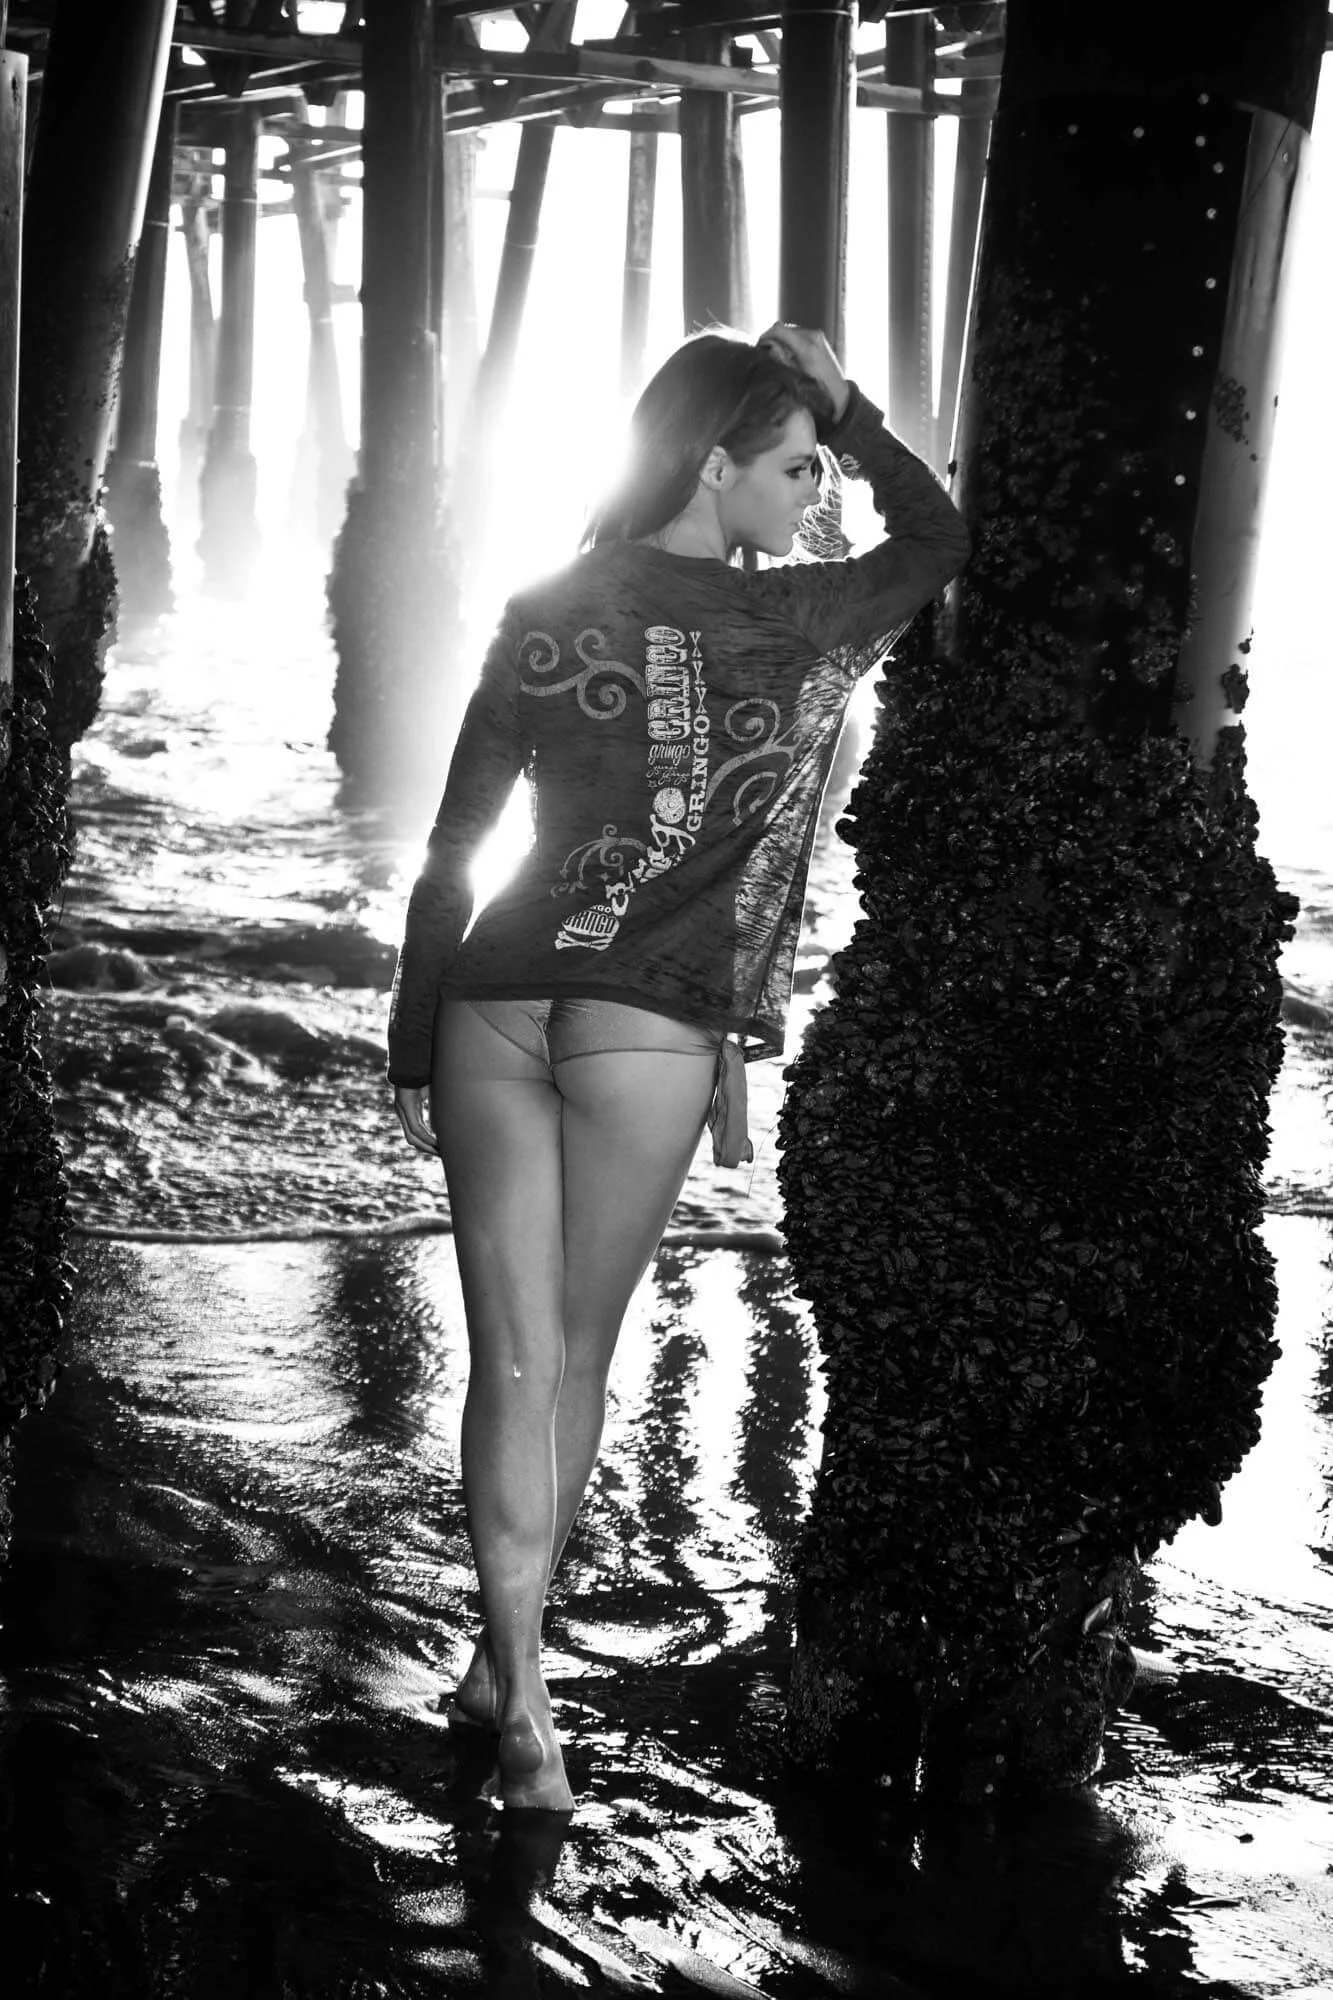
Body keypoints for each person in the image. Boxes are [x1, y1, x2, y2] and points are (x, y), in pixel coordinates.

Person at [389, 323, 971, 1811]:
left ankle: (497, 1666)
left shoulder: (546, 602)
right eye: (793, 463)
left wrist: (412, 1028)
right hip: (647, 1021)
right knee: (573, 1358)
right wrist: (855, 400)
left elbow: (458, 844)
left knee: (508, 1357)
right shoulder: (808, 621)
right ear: (715, 465)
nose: (815, 488)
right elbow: (942, 535)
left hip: (493, 997)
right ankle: (527, 1713)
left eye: (824, 462)